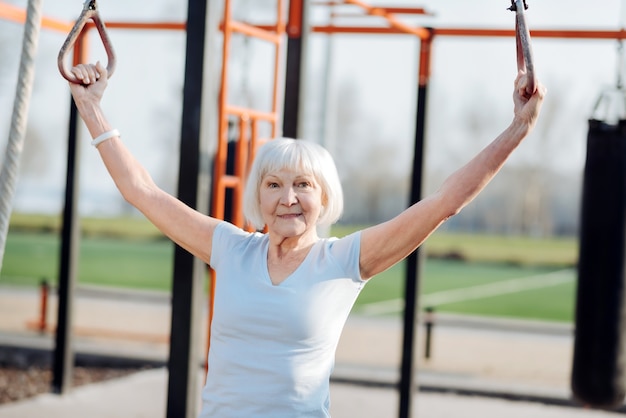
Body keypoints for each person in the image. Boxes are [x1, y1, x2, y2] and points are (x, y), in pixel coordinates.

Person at [67, 61, 545, 417]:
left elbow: (443, 202)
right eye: (274, 185)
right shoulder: (231, 248)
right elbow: (142, 191)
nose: (288, 198)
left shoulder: (344, 260)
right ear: (259, 194)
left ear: (324, 196)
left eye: (303, 185)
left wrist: (518, 127)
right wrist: (91, 106)